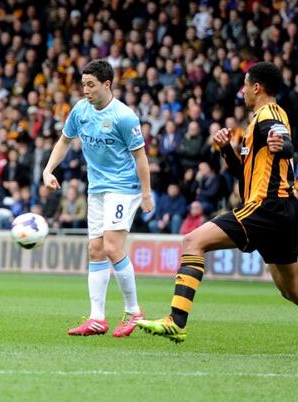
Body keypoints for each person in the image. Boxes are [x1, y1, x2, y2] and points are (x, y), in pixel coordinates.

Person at [138, 62, 298, 343]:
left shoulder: (269, 115)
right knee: (291, 291)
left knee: (192, 242)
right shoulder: (259, 120)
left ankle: (176, 321)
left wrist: (284, 147)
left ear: (257, 87)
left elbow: (283, 142)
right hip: (278, 210)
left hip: (266, 206)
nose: (243, 91)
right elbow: (244, 176)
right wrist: (226, 150)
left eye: (246, 85)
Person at [43, 60, 154, 337]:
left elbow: (141, 158)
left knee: (113, 247)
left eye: (91, 85)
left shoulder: (124, 117)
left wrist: (146, 193)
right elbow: (64, 141)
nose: (86, 90)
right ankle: (97, 318)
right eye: (83, 85)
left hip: (123, 187)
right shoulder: (80, 111)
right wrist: (48, 170)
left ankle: (134, 311)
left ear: (107, 84)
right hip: (97, 189)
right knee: (95, 249)